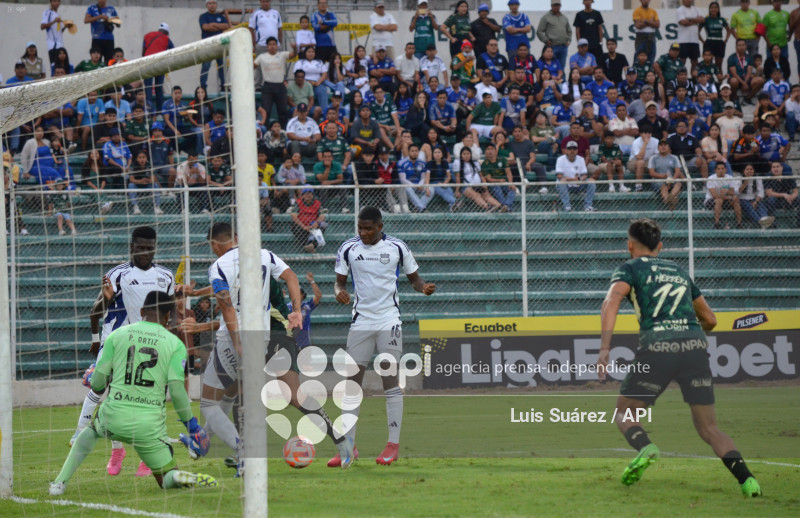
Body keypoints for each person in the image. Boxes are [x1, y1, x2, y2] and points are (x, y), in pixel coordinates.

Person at [597, 218, 762, 496]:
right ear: (659, 246)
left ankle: (646, 447)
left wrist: (604, 348)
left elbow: (612, 300)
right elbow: (710, 319)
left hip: (658, 344)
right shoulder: (679, 271)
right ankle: (748, 481)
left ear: (630, 246)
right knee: (709, 427)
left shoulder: (629, 268)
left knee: (625, 411)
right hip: (695, 345)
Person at [193, 222, 354, 473]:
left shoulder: (253, 262)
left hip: (277, 334)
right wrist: (193, 292)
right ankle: (230, 449)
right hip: (261, 334)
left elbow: (229, 303)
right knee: (236, 389)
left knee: (291, 394)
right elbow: (227, 294)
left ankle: (340, 440)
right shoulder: (259, 259)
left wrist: (296, 311)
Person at [51, 290, 215, 496]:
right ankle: (177, 476)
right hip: (149, 426)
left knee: (90, 432)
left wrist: (94, 377)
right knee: (164, 478)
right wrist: (193, 426)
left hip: (113, 417)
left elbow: (99, 383)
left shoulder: (117, 335)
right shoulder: (175, 345)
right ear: (169, 315)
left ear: (141, 311)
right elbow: (177, 392)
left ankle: (59, 483)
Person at [330, 207, 435, 467]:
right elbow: (339, 282)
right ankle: (348, 446)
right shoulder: (348, 249)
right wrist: (338, 291)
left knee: (390, 380)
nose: (363, 233)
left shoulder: (397, 247)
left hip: (389, 320)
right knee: (352, 383)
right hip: (361, 322)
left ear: (380, 226)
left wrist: (424, 288)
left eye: (368, 228)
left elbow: (415, 279)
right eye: (360, 228)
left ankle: (392, 444)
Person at [69, 226, 175, 479]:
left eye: (149, 248)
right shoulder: (117, 275)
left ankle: (145, 456)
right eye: (139, 248)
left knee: (142, 398)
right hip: (115, 342)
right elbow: (95, 311)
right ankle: (82, 432)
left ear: (154, 248)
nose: (144, 253)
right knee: (98, 387)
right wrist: (96, 336)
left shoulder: (166, 276)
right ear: (131, 248)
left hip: (148, 346)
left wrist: (171, 342)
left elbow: (170, 315)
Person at [255, 38, 297, 128]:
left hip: (280, 85)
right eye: (270, 44)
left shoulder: (282, 54)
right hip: (267, 86)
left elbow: (293, 55)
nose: (272, 46)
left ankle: (283, 131)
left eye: (274, 44)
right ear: (267, 46)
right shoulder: (262, 57)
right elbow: (253, 65)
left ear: (277, 46)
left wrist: (295, 48)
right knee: (266, 110)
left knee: (282, 111)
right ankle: (265, 131)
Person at [199, 0, 230, 91]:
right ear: (206, 5)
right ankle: (203, 87)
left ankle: (224, 86)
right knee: (205, 66)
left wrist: (213, 24)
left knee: (222, 66)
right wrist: (219, 26)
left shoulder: (221, 16)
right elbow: (205, 27)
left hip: (220, 45)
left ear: (216, 5)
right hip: (208, 45)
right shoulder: (203, 16)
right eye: (210, 3)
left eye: (214, 3)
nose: (212, 5)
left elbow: (227, 26)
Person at [287, 272, 322, 349]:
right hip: (291, 343)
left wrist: (312, 281)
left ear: (303, 295)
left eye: (298, 293)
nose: (296, 295)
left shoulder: (307, 306)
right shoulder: (287, 307)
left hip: (305, 344)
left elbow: (318, 296)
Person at [648, 139, 684, 209]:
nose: (663, 147)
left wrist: (671, 180)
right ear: (658, 147)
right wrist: (663, 176)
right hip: (658, 180)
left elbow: (677, 171)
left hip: (672, 178)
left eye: (665, 145)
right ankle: (671, 200)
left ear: (668, 147)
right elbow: (651, 173)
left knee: (678, 184)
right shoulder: (653, 158)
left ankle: (670, 198)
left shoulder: (674, 157)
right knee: (663, 186)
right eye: (661, 145)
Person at [537, 0, 571, 74]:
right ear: (551, 6)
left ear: (560, 6)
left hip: (563, 47)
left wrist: (569, 40)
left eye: (558, 5)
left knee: (561, 68)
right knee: (549, 67)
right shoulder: (546, 17)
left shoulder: (564, 18)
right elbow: (539, 31)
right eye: (555, 5)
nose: (557, 7)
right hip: (552, 47)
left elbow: (569, 31)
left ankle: (562, 84)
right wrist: (545, 40)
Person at [705, 161, 742, 227]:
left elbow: (732, 193)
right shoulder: (711, 179)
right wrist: (728, 196)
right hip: (711, 201)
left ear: (726, 170)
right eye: (718, 169)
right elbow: (715, 196)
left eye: (722, 168)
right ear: (715, 170)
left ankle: (739, 223)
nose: (721, 170)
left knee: (735, 199)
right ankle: (717, 224)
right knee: (719, 200)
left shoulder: (730, 178)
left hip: (726, 201)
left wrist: (727, 192)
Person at [291, 188, 329, 252]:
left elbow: (322, 215)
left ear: (312, 195)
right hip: (302, 226)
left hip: (313, 224)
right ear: (302, 195)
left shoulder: (317, 203)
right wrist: (304, 226)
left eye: (310, 193)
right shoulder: (298, 202)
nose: (308, 195)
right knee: (294, 226)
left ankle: (310, 246)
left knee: (323, 225)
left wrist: (316, 223)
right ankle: (310, 246)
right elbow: (294, 216)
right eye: (306, 193)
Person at [764, 160, 800, 227]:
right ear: (771, 169)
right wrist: (784, 195)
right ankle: (772, 224)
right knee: (771, 199)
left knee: (798, 199)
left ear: (782, 168)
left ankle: (798, 224)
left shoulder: (788, 176)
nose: (776, 169)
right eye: (773, 167)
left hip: (787, 201)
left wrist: (792, 196)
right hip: (776, 202)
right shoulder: (768, 177)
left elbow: (795, 191)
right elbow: (769, 193)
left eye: (778, 166)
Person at [128, 150, 164, 216]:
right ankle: (135, 207)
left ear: (146, 158)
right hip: (137, 186)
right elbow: (131, 179)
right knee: (131, 185)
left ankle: (157, 207)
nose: (142, 159)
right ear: (136, 159)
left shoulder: (149, 165)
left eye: (143, 157)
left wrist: (147, 180)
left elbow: (153, 179)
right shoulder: (133, 166)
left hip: (146, 185)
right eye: (140, 157)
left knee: (155, 185)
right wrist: (140, 181)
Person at [627, 124, 659, 191]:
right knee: (641, 162)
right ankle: (638, 185)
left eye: (649, 133)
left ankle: (657, 185)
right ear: (641, 134)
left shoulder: (656, 141)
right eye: (645, 133)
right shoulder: (636, 142)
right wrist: (645, 144)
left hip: (649, 161)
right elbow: (639, 157)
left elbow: (657, 155)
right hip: (634, 162)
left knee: (658, 163)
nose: (648, 135)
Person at [573, 0, 604, 64]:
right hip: (585, 45)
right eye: (585, 0)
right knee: (586, 63)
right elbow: (577, 30)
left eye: (589, 0)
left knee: (599, 63)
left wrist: (601, 42)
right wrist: (579, 43)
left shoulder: (597, 13)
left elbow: (600, 28)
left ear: (592, 1)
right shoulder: (579, 15)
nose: (587, 2)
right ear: (583, 2)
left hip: (596, 44)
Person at [633, 0, 660, 65]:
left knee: (651, 59)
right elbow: (638, 25)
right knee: (638, 58)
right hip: (641, 37)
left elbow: (657, 25)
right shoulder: (637, 11)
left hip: (651, 37)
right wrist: (651, 22)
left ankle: (650, 73)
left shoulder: (653, 11)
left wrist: (645, 21)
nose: (646, 1)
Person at [41, 0, 66, 65]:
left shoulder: (58, 14)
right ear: (51, 2)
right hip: (53, 46)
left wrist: (66, 26)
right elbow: (42, 26)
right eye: (54, 1)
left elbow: (58, 31)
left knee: (62, 67)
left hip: (60, 45)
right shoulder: (47, 12)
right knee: (54, 67)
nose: (56, 3)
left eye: (58, 1)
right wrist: (54, 21)